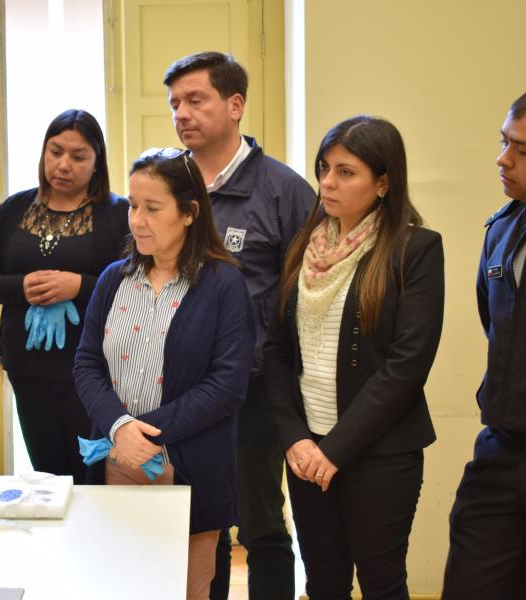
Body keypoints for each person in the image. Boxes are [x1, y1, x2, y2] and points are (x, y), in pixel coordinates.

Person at [265, 116, 444, 599]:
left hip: (379, 454)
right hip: (307, 451)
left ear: (383, 183)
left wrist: (334, 450)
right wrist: (295, 438)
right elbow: (278, 351)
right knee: (323, 583)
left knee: (382, 584)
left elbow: (406, 366)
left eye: (346, 172)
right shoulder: (307, 243)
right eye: (325, 168)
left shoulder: (415, 249)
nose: (327, 182)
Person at [163, 51, 315, 599]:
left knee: (259, 520)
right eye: (175, 102)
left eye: (195, 99)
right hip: (181, 391)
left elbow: (308, 296)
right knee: (201, 523)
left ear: (235, 105)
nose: (182, 112)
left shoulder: (284, 191)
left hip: (253, 388)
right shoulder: (167, 183)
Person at [74, 148, 255, 600]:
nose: (137, 220)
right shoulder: (114, 279)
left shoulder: (223, 285)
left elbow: (227, 385)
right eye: (133, 205)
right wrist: (119, 428)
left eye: (153, 208)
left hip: (188, 464)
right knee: (122, 584)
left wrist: (146, 433)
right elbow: (87, 364)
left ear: (190, 213)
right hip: (116, 457)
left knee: (188, 588)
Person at [0, 109, 128, 482]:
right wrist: (20, 287)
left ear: (97, 162)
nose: (64, 165)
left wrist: (79, 286)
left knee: (90, 473)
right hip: (27, 367)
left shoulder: (117, 213)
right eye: (55, 152)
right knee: (47, 473)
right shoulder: (15, 208)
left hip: (93, 371)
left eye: (78, 157)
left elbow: (134, 288)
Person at [443, 93, 526, 598]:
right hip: (504, 450)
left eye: (521, 148)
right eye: (504, 142)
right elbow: (495, 326)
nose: (503, 158)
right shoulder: (502, 230)